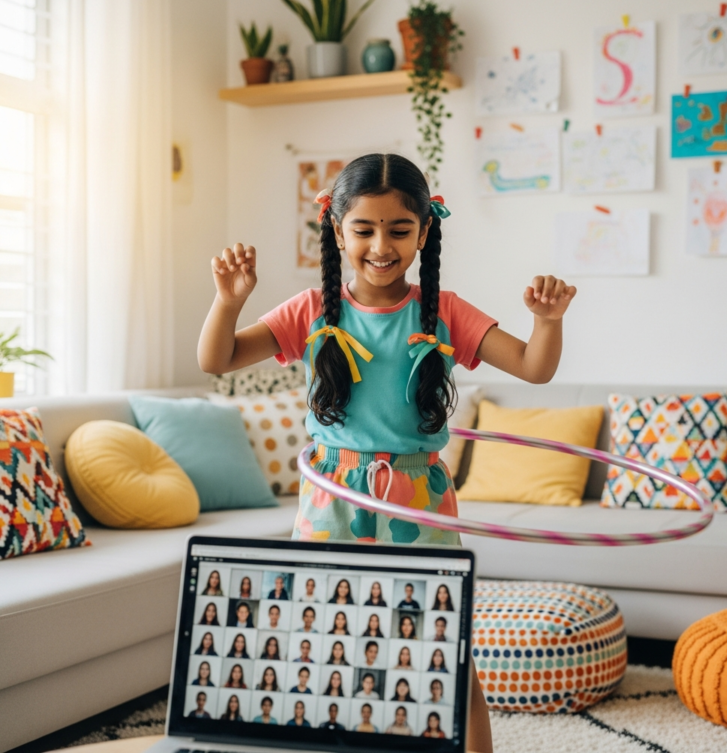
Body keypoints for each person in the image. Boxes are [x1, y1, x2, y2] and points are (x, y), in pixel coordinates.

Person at [199, 153, 576, 753]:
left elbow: (534, 367)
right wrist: (228, 300)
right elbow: (216, 360)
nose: (382, 245)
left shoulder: (447, 311)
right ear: (337, 230)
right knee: (324, 649)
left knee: (443, 646)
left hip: (416, 498)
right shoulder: (311, 310)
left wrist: (548, 321)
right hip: (331, 496)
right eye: (364, 229)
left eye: (400, 230)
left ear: (425, 231)